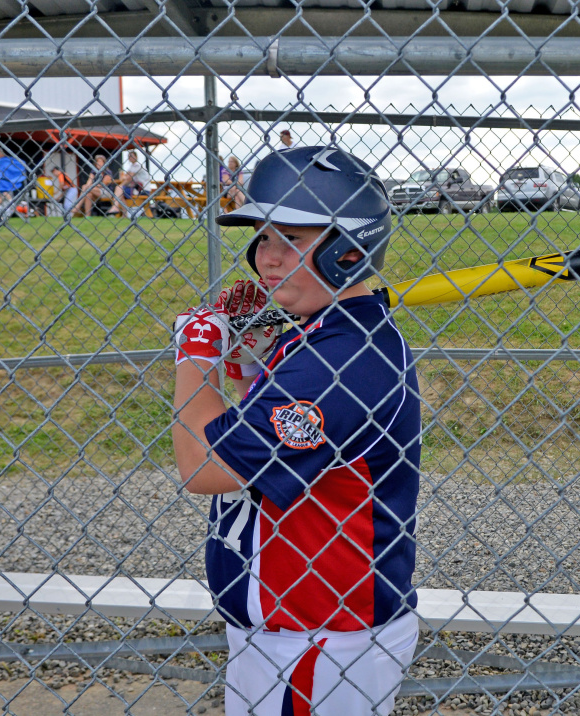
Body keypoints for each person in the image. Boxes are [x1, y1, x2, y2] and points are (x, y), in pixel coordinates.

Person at [172, 146, 420, 716]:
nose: (268, 257)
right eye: (263, 236)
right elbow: (262, 445)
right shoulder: (317, 339)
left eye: (293, 238)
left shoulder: (340, 361)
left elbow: (205, 467)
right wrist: (247, 366)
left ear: (349, 250)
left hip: (320, 639)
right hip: (294, 628)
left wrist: (195, 354)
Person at [0, 147, 27, 212]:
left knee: (3, 194)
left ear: (3, 154)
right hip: (4, 184)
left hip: (6, 184)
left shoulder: (8, 162)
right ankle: (4, 207)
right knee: (0, 194)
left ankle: (7, 208)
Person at [113, 149, 151, 215]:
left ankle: (116, 207)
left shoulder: (138, 165)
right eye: (129, 156)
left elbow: (128, 177)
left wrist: (121, 184)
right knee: (120, 193)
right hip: (136, 188)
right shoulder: (132, 166)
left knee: (119, 189)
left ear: (136, 157)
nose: (130, 158)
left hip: (142, 190)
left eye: (131, 156)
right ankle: (124, 213)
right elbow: (126, 176)